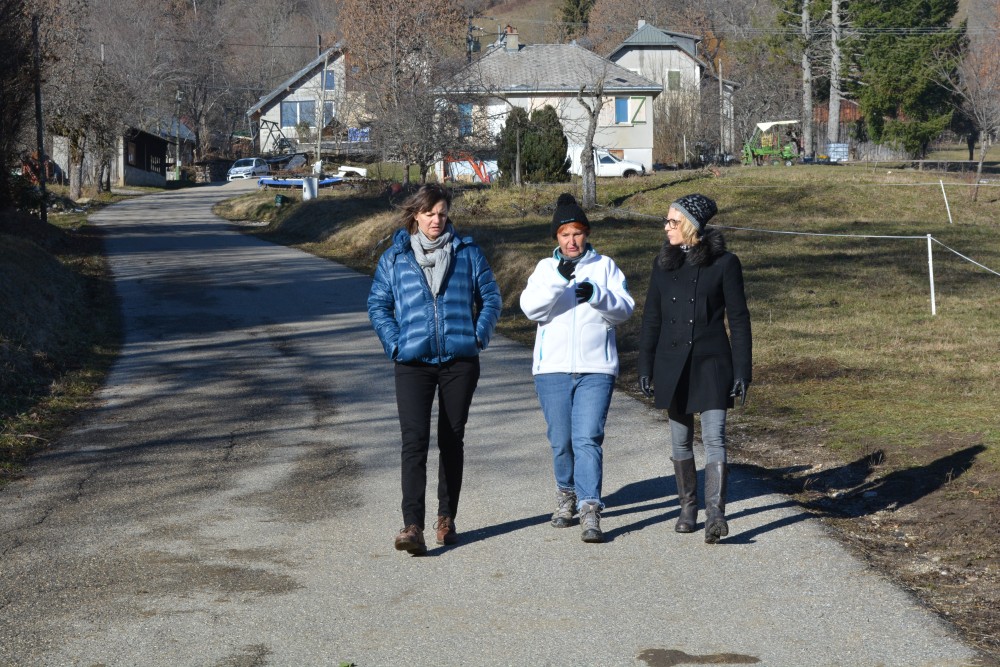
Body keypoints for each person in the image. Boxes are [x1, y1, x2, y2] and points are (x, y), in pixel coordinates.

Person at [368, 184, 501, 555]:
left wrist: (477, 337)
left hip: (459, 361)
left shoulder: (468, 252)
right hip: (412, 362)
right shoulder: (395, 258)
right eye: (429, 213)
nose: (436, 220)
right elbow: (378, 305)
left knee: (451, 439)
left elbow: (491, 296)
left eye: (442, 213)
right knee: (413, 442)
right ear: (415, 215)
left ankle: (446, 518)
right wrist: (394, 343)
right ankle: (412, 525)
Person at [520, 193, 635, 543]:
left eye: (578, 233)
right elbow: (532, 310)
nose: (572, 241)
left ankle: (590, 507)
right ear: (556, 237)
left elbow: (624, 310)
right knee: (561, 440)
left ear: (586, 234)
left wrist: (596, 294)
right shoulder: (544, 269)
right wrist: (560, 278)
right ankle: (565, 494)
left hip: (595, 368)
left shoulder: (605, 267)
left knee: (588, 438)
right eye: (565, 234)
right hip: (551, 370)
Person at [637, 194, 752, 544]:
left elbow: (739, 319)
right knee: (680, 439)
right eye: (667, 221)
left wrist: (742, 371)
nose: (666, 227)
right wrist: (645, 365)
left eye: (672, 221)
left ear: (690, 225)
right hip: (672, 364)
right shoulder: (663, 264)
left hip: (712, 361)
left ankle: (715, 513)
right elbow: (651, 319)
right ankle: (687, 507)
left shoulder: (725, 263)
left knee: (715, 437)